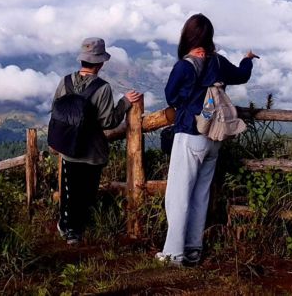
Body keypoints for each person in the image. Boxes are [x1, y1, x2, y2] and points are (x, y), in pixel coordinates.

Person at [156, 14, 258, 266]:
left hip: (190, 135)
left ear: (187, 36)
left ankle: (173, 254)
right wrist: (247, 60)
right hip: (214, 136)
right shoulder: (219, 62)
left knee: (179, 195)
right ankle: (193, 249)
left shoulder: (184, 66)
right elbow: (242, 76)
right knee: (201, 193)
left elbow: (171, 97)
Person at [53, 37, 142, 245]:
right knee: (86, 192)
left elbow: (56, 110)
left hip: (68, 149)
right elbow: (109, 121)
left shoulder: (64, 82)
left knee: (69, 191)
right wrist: (125, 103)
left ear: (82, 60)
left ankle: (68, 227)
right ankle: (77, 229)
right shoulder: (102, 88)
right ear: (101, 63)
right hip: (92, 152)